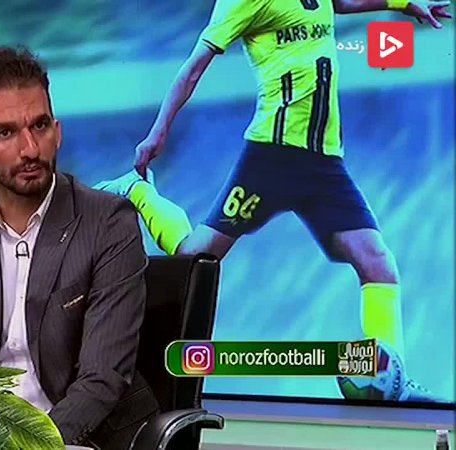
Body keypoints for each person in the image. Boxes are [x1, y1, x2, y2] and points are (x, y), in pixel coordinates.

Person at [94, 0, 451, 402]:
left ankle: (390, 381)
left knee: (378, 264)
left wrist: (404, 4)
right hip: (271, 158)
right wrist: (157, 132)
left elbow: (340, 2)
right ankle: (138, 191)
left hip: (324, 163)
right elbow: (193, 68)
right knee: (196, 257)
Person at [0, 45, 160, 449]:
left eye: (40, 126)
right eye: (5, 133)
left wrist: (29, 446)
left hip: (84, 437)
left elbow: (101, 379)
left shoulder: (108, 223)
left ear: (57, 131)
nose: (30, 149)